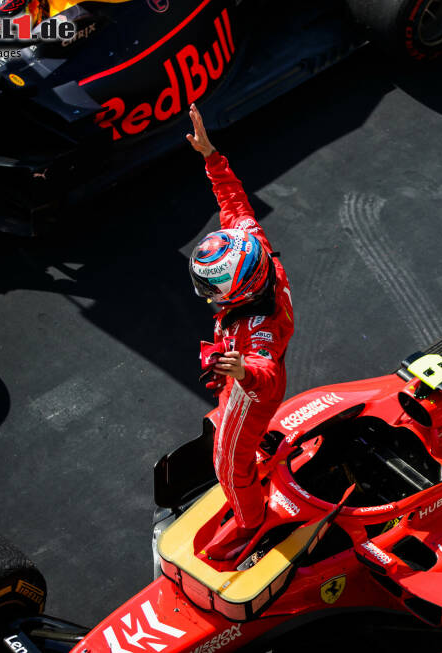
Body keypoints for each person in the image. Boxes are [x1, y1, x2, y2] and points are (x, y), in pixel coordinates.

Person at [186, 103, 294, 559]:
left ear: (239, 290)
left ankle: (252, 523)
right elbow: (235, 203)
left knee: (227, 464)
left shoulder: (260, 330)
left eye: (213, 288)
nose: (207, 293)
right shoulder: (251, 245)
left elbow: (267, 374)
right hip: (243, 364)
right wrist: (212, 156)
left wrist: (242, 370)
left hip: (253, 385)